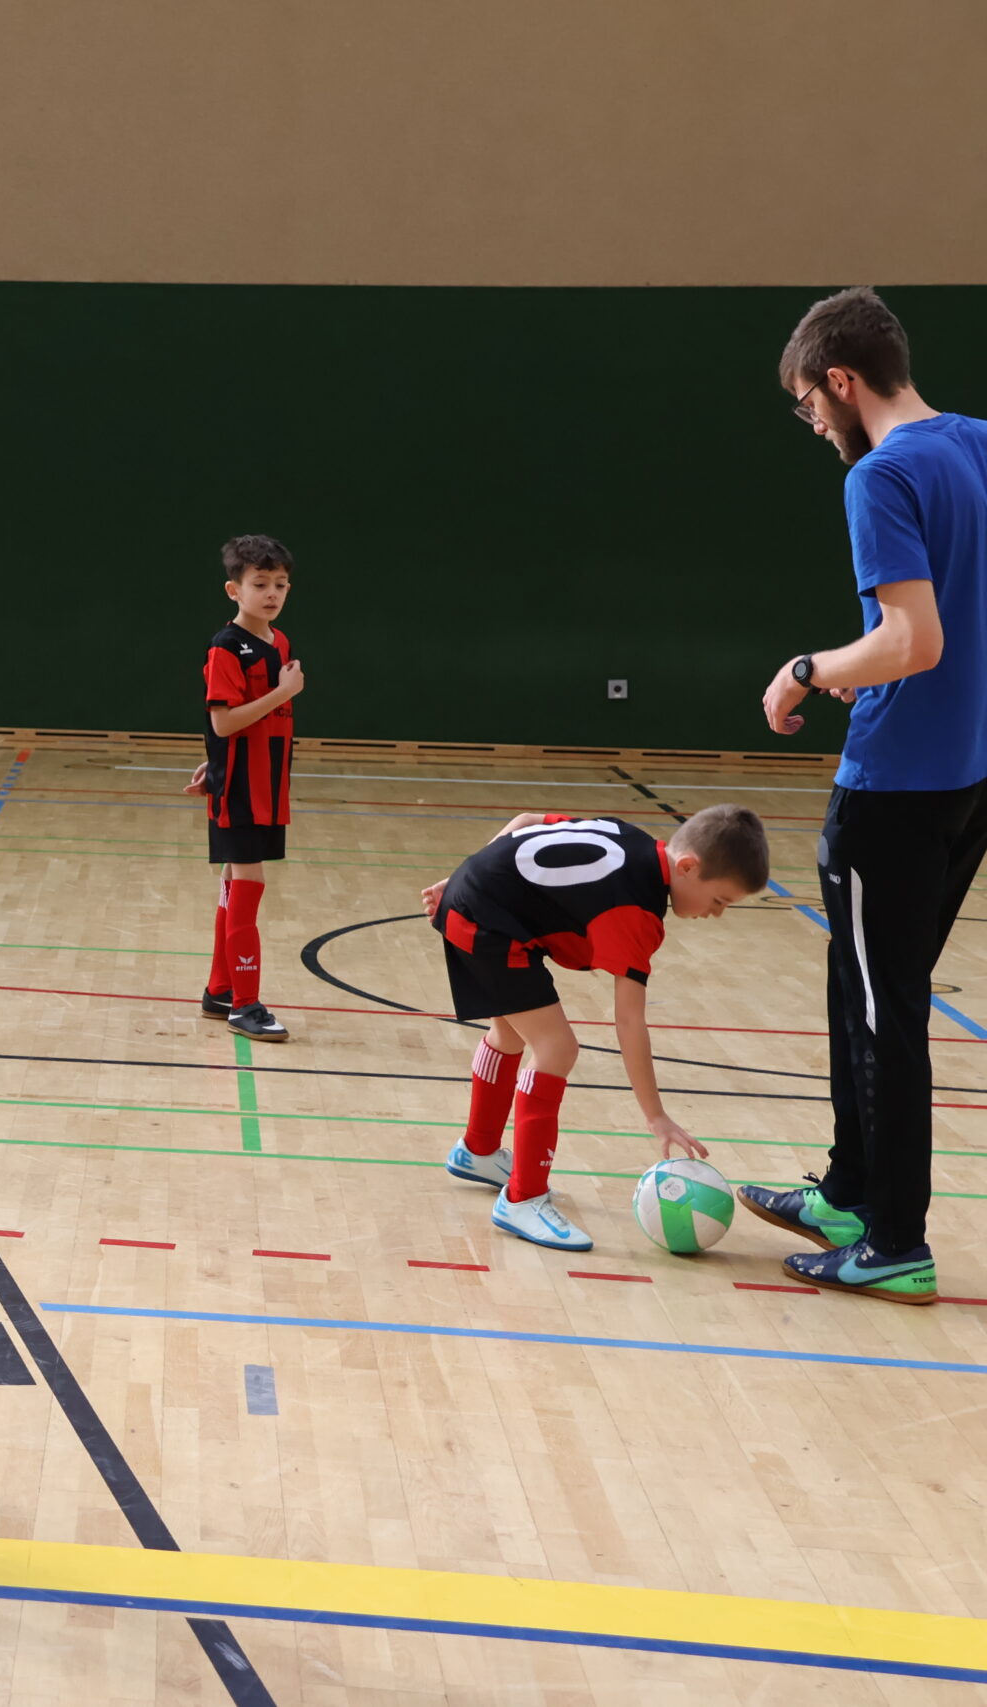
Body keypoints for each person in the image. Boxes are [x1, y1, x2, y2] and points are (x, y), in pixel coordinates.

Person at [747, 286, 987, 1304]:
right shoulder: (975, 443)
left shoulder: (879, 473)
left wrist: (808, 669)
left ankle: (895, 1241)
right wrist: (872, 662)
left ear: (842, 381)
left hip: (895, 787)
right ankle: (848, 1193)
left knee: (885, 1013)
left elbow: (913, 640)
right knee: (868, 994)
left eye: (809, 403)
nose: (812, 423)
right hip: (968, 776)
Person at [420, 807, 768, 1250]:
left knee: (509, 1034)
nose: (716, 913)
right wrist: (656, 1116)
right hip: (487, 923)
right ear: (687, 867)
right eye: (719, 901)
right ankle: (523, 1200)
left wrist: (462, 878)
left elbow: (526, 821)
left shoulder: (629, 835)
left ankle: (478, 1151)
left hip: (480, 906)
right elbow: (629, 1021)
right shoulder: (636, 911)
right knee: (556, 1048)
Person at [187, 535, 301, 1042]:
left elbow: (241, 728)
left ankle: (220, 990)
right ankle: (246, 1005)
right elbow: (225, 722)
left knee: (236, 884)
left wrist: (211, 759)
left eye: (280, 584)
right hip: (241, 790)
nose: (271, 593)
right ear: (234, 590)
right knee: (248, 886)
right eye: (260, 584)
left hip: (268, 783)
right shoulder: (226, 647)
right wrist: (283, 691)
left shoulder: (280, 643)